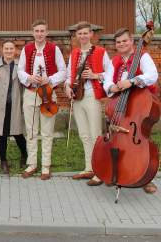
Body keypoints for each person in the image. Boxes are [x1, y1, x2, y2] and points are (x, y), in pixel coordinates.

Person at [102, 28, 159, 194]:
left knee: (143, 137)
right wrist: (112, 86)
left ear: (132, 42)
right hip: (120, 105)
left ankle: (147, 177)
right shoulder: (115, 61)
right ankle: (116, 172)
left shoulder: (143, 57)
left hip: (141, 104)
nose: (121, 44)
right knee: (118, 137)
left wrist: (132, 81)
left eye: (124, 41)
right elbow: (107, 81)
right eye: (118, 42)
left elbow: (152, 75)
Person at [18, 20, 66, 180]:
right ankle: (32, 164)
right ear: (33, 33)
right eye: (37, 31)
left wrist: (49, 79)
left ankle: (46, 166)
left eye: (42, 31)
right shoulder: (27, 48)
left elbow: (63, 71)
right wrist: (30, 77)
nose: (39, 33)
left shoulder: (54, 49)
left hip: (48, 93)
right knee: (31, 131)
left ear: (47, 32)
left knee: (47, 131)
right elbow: (19, 70)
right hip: (31, 93)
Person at [65, 21, 111, 186]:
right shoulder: (74, 53)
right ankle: (88, 168)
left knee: (95, 135)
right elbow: (69, 75)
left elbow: (110, 73)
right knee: (84, 135)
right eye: (80, 34)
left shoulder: (101, 51)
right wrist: (67, 88)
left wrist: (95, 75)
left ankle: (99, 172)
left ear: (91, 34)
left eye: (85, 33)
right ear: (76, 36)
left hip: (93, 96)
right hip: (78, 97)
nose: (83, 36)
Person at [0, 40, 27, 174]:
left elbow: (25, 83)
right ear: (2, 50)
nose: (9, 51)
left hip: (15, 105)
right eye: (6, 48)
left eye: (11, 49)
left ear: (15, 50)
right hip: (0, 107)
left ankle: (25, 156)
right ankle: (3, 161)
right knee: (2, 135)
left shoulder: (20, 65)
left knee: (18, 134)